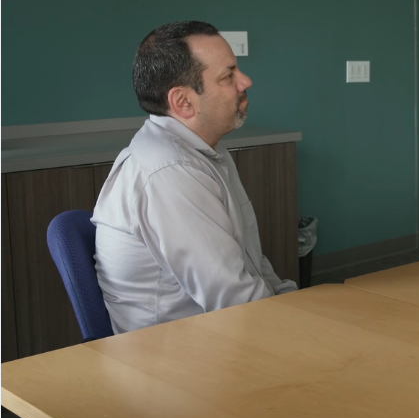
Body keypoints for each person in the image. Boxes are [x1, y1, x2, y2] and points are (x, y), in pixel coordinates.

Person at [93, 20, 297, 334]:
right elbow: (235, 301)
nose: (245, 81)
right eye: (228, 76)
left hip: (223, 333)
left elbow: (249, 261)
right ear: (183, 102)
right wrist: (304, 328)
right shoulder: (171, 172)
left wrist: (292, 302)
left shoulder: (203, 152)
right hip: (181, 358)